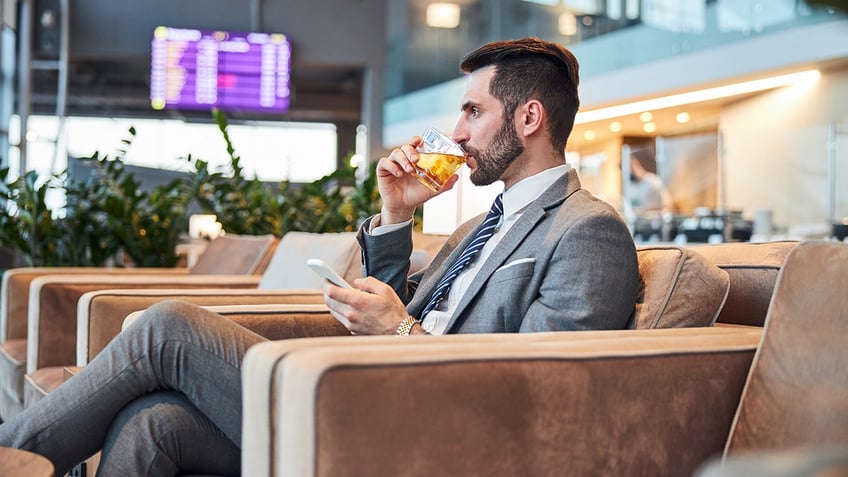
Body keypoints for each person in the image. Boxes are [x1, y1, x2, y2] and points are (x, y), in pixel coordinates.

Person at [0, 37, 640, 475]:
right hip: (371, 393)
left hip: (432, 428)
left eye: (474, 111)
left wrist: (402, 332)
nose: (459, 131)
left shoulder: (588, 230)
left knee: (168, 326)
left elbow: (544, 393)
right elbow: (393, 306)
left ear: (529, 118)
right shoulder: (480, 223)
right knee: (152, 423)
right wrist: (397, 214)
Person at [627, 152, 673, 218]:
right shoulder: (631, 185)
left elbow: (667, 203)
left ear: (635, 165)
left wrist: (645, 210)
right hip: (638, 221)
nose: (629, 172)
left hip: (654, 220)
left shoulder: (653, 181)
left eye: (630, 168)